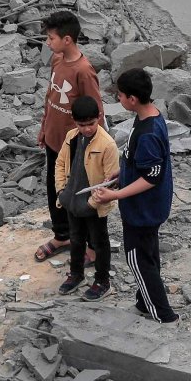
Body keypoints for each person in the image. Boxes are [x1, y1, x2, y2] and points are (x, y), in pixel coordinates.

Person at [91, 68, 177, 323]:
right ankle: (144, 302)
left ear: (132, 99)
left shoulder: (149, 133)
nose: (118, 99)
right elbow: (138, 164)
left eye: (120, 95)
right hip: (147, 208)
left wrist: (114, 196)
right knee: (148, 256)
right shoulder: (148, 117)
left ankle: (164, 316)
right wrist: (119, 175)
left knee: (138, 260)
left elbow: (151, 177)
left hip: (143, 210)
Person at [34, 10, 102, 264]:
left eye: (50, 38)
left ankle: (91, 246)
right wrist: (44, 127)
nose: (47, 43)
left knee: (80, 194)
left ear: (67, 40)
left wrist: (93, 147)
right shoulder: (57, 61)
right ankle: (62, 235)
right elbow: (51, 99)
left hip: (75, 145)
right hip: (54, 140)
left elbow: (96, 111)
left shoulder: (83, 71)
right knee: (55, 190)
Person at [53, 95, 118, 300]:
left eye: (91, 124)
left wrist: (91, 203)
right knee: (76, 239)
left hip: (94, 205)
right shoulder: (72, 137)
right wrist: (61, 191)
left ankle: (102, 281)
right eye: (82, 125)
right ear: (75, 121)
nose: (87, 129)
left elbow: (111, 181)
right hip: (72, 200)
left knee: (99, 242)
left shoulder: (107, 144)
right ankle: (76, 274)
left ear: (98, 118)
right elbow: (60, 163)